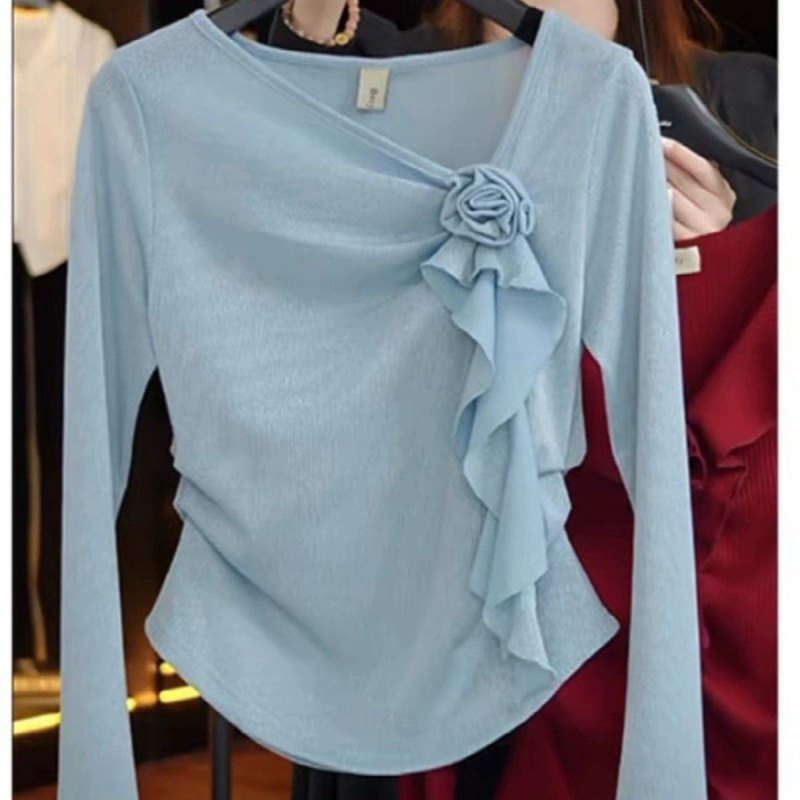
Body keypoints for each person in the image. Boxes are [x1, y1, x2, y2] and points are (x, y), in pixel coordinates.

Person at [263, 3, 777, 800]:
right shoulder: (391, 79)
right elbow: (290, 214)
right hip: (429, 557)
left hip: (642, 561)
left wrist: (718, 256)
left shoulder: (746, 103)